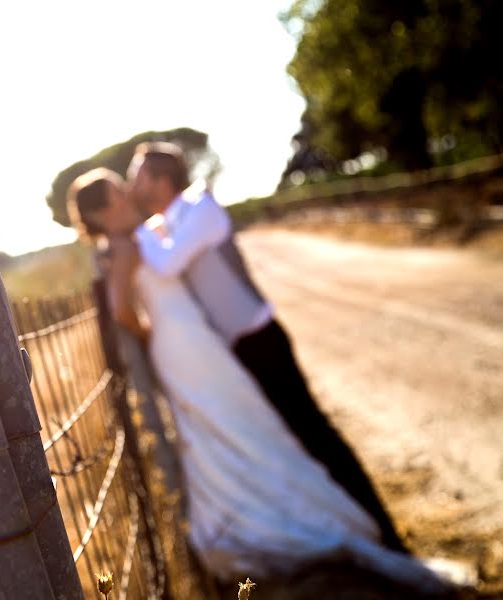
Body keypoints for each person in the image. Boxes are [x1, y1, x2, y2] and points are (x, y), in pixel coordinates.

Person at [65, 167, 447, 592]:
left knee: (239, 417)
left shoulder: (136, 238)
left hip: (195, 338)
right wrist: (148, 334)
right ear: (101, 213)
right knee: (220, 422)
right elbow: (120, 309)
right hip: (179, 344)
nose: (126, 197)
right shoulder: (120, 247)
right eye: (117, 195)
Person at [126, 141, 408, 554]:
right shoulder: (169, 223)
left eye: (139, 174)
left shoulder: (199, 208)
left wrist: (131, 234)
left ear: (161, 180)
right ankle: (347, 523)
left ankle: (382, 531)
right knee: (291, 439)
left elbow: (168, 263)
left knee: (315, 434)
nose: (134, 182)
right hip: (240, 352)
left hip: (262, 342)